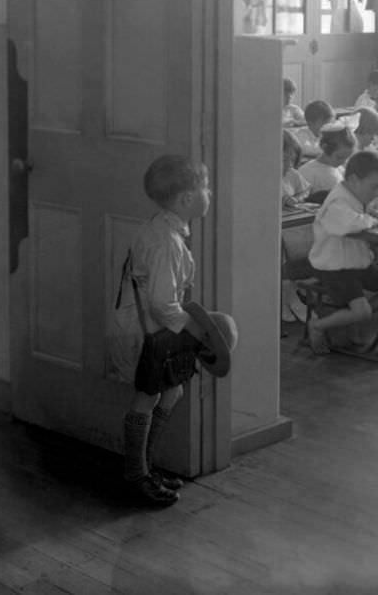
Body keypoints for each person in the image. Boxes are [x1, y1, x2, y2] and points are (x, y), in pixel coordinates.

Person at [121, 155, 238, 505]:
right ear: (187, 198)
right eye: (205, 187)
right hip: (152, 332)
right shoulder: (166, 243)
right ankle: (136, 474)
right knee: (148, 397)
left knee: (172, 393)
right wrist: (199, 333)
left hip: (161, 329)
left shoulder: (166, 229)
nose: (210, 193)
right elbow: (161, 303)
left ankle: (147, 465)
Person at [306, 150, 378, 354]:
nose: (377, 193)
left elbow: (374, 210)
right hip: (334, 266)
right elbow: (350, 224)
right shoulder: (337, 202)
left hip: (357, 262)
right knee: (362, 310)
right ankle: (318, 326)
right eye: (374, 187)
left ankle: (351, 318)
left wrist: (376, 212)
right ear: (353, 180)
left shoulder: (357, 195)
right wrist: (376, 219)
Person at [300, 123, 356, 202]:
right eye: (340, 157)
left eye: (347, 158)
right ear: (324, 147)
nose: (343, 162)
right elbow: (300, 200)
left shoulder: (341, 170)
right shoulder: (308, 172)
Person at [281, 129, 310, 209]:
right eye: (284, 159)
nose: (290, 165)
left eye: (293, 160)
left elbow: (305, 191)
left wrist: (296, 198)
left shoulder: (292, 174)